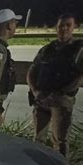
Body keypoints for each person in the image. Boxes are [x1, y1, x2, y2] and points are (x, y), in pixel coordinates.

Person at [27, 13, 83, 157]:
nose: (64, 28)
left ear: (74, 27)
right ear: (56, 28)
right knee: (38, 140)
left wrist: (64, 92)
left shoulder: (79, 49)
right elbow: (32, 71)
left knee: (60, 141)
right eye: (60, 26)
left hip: (61, 101)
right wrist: (35, 91)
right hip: (41, 99)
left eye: (68, 25)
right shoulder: (47, 49)